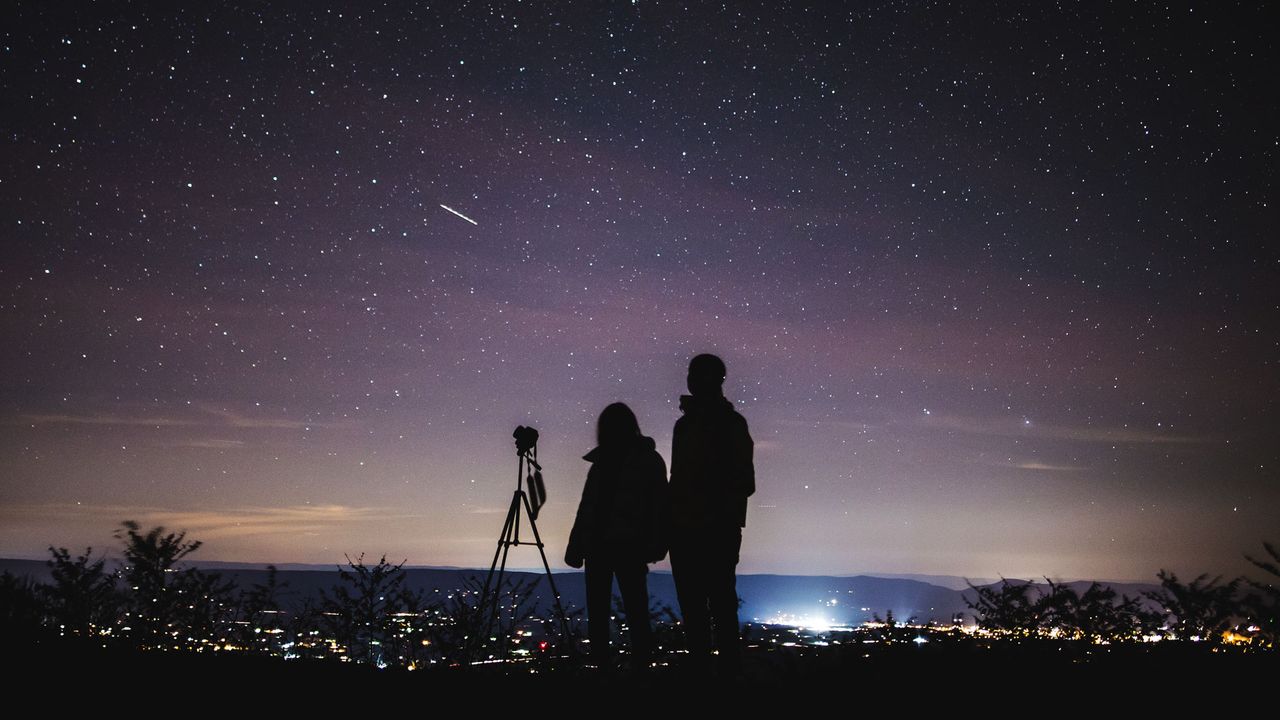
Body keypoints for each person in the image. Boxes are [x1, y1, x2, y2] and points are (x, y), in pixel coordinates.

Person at [668, 353, 754, 675]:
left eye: (697, 374)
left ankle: (717, 678)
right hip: (697, 528)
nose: (692, 380)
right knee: (706, 605)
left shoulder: (725, 425)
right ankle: (710, 676)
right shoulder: (689, 425)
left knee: (713, 604)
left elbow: (743, 480)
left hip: (711, 528)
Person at [565, 402, 668, 669]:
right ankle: (617, 666)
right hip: (610, 546)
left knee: (627, 610)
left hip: (624, 546)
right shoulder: (615, 462)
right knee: (621, 611)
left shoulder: (633, 461)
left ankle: (630, 667)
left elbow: (659, 506)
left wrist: (576, 546)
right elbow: (587, 507)